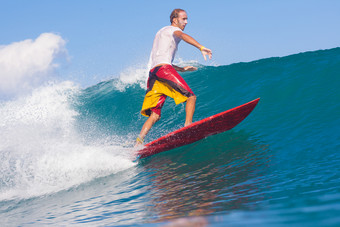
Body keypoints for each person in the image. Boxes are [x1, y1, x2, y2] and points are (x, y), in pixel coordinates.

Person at [136, 9, 212, 145]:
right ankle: (187, 127)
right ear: (174, 20)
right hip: (163, 70)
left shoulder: (161, 32)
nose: (186, 22)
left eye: (187, 19)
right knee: (191, 97)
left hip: (153, 73)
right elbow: (183, 36)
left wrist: (181, 69)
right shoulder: (173, 30)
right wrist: (200, 47)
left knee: (155, 115)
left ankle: (138, 142)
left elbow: (161, 59)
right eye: (183, 19)